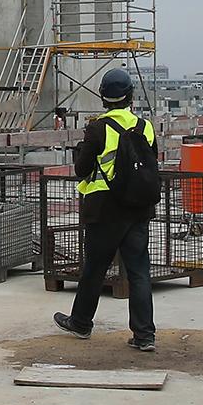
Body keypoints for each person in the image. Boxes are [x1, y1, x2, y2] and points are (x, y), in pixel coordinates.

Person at [53, 68, 158, 351]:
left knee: (95, 269)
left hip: (104, 210)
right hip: (137, 209)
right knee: (138, 272)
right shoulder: (145, 127)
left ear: (103, 97)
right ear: (131, 96)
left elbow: (81, 169)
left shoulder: (98, 127)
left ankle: (81, 322)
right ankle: (144, 335)